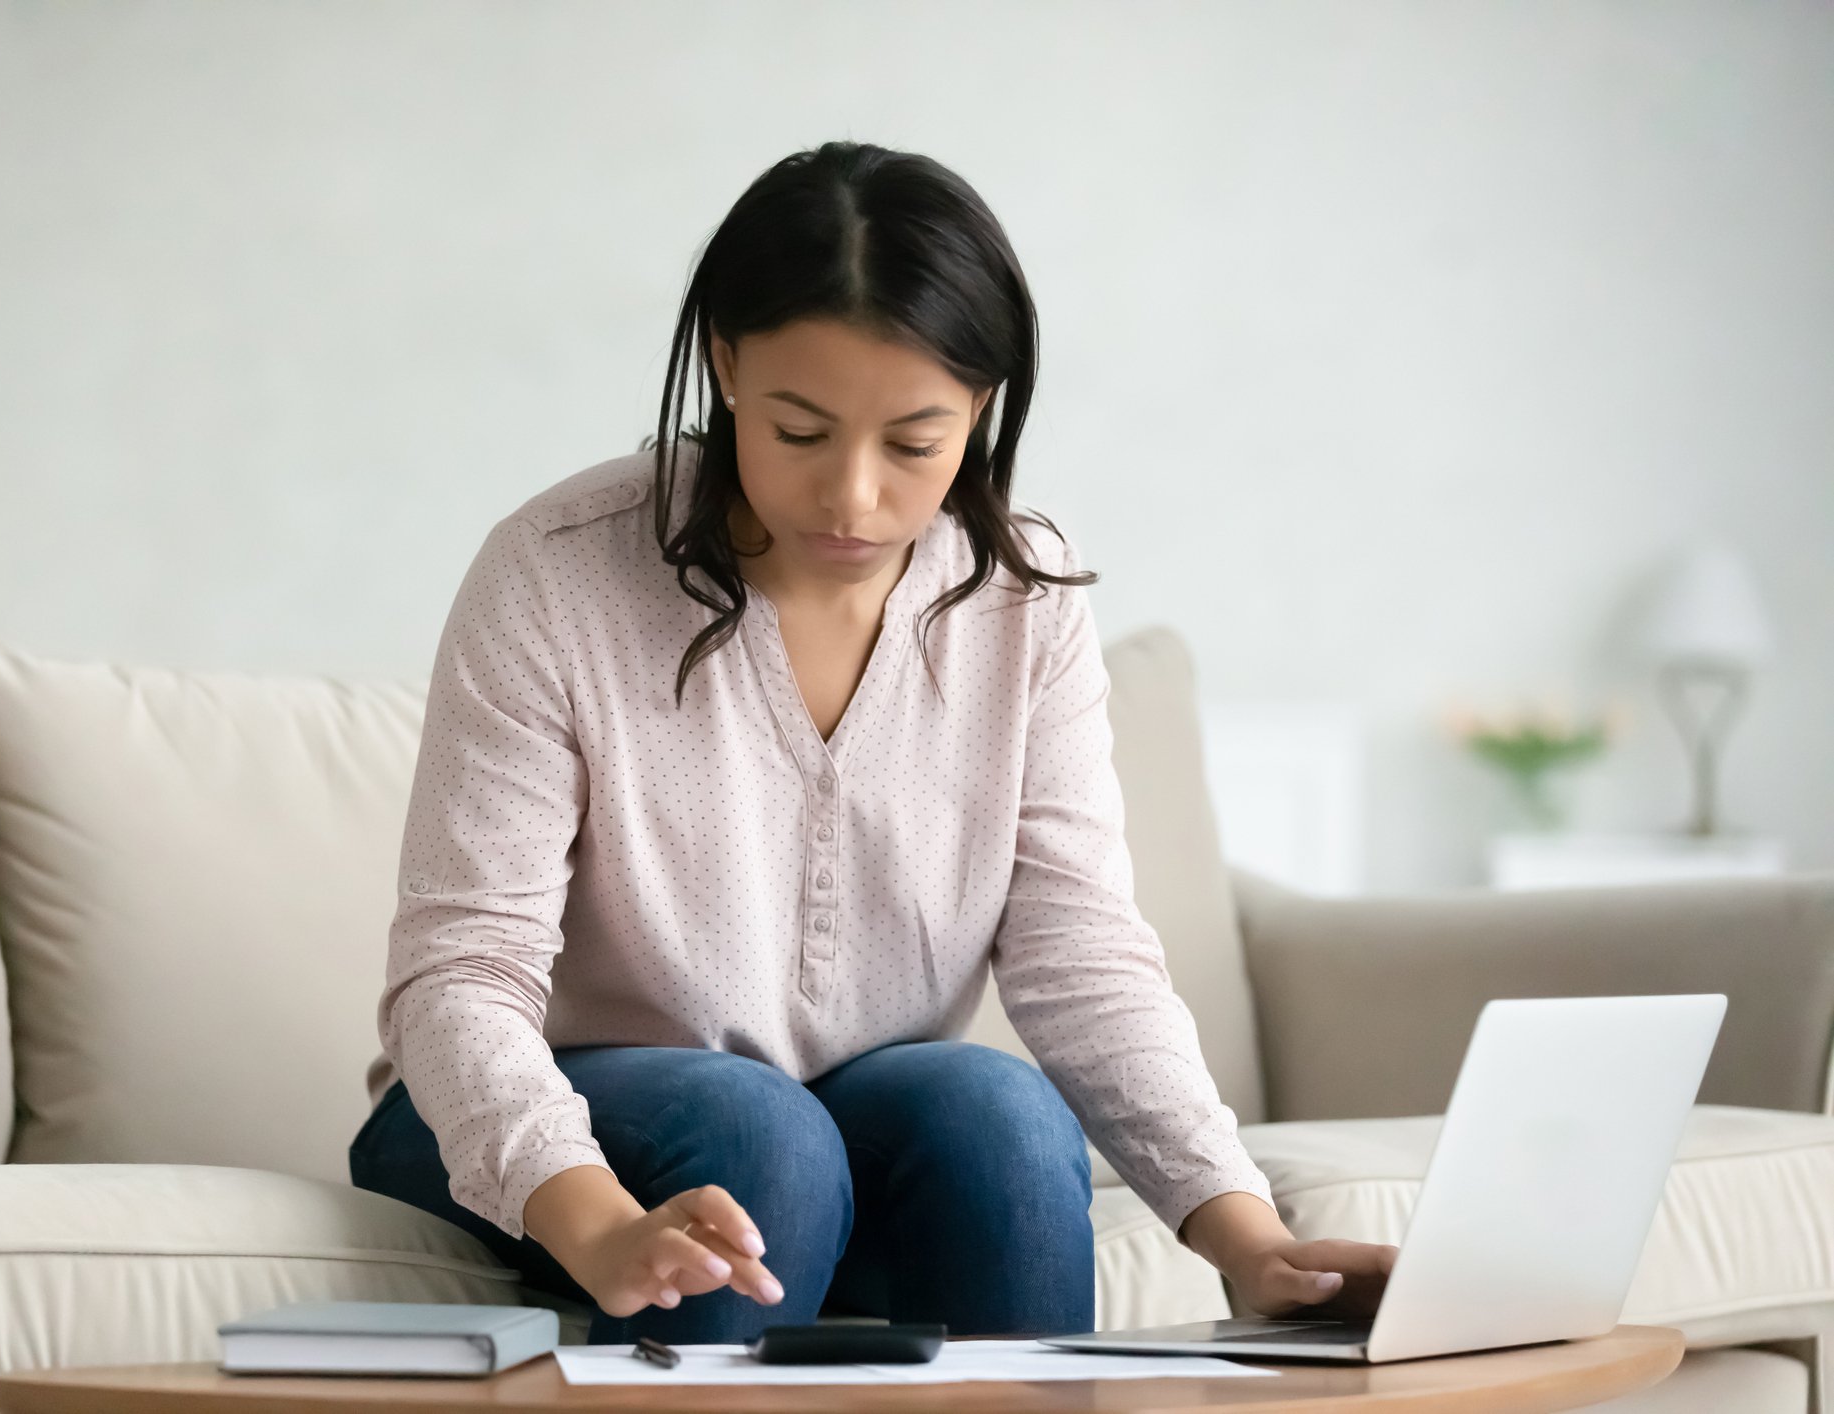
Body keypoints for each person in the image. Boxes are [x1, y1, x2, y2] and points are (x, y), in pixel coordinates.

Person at [348, 139, 1397, 1345]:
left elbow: (1082, 955)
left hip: (827, 1106)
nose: (852, 498)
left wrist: (1249, 1240)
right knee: (758, 1133)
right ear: (728, 367)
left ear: (983, 408)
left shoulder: (1024, 597)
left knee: (995, 1113)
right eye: (800, 432)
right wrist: (596, 1223)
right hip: (516, 1118)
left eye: (913, 443)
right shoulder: (557, 573)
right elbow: (461, 975)